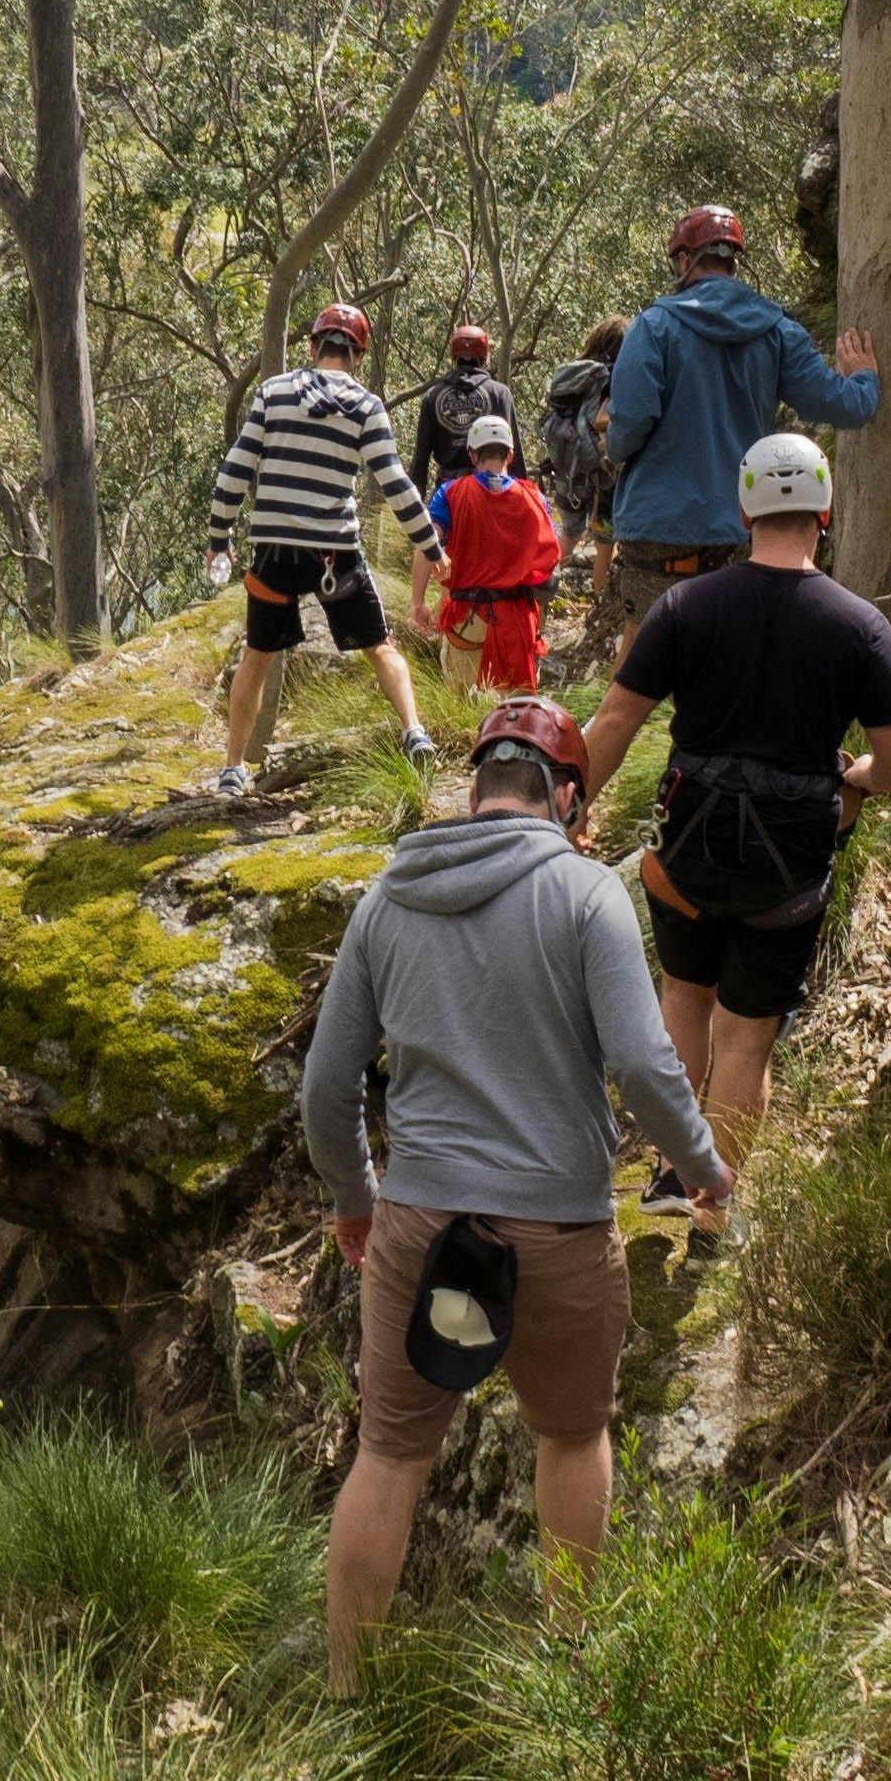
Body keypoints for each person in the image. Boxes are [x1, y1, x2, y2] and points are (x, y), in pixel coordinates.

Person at [303, 699, 728, 1687]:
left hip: (415, 1221)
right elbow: (643, 1063)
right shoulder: (587, 898)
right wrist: (700, 1165)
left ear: (474, 787)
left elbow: (326, 1087)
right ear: (568, 797)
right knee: (573, 1434)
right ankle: (568, 1668)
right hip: (559, 1226)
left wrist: (357, 1200)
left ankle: (345, 1692)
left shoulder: (389, 898)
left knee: (391, 1454)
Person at [581, 433, 891, 1206]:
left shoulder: (685, 606)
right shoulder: (859, 625)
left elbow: (614, 720)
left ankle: (670, 1169)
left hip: (687, 844)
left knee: (685, 994)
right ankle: (713, 1205)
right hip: (788, 866)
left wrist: (573, 811)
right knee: (746, 1038)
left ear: (743, 508)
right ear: (824, 511)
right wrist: (857, 781)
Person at [593, 204, 879, 658]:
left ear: (685, 261)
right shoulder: (776, 330)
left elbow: (628, 432)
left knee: (641, 663)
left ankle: (607, 731)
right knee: (731, 661)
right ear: (733, 261)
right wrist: (864, 379)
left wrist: (612, 440)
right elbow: (844, 407)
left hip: (659, 528)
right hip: (744, 528)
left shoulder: (654, 328)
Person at [209, 298, 444, 792]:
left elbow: (236, 469)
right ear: (356, 355)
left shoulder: (273, 393)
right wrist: (431, 547)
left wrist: (219, 538)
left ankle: (233, 768)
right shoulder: (365, 407)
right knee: (380, 646)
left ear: (314, 346)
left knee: (257, 655)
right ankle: (414, 732)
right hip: (333, 552)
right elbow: (396, 483)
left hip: (273, 551)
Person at [425, 417, 567, 694]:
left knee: (459, 702)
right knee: (517, 711)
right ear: (510, 455)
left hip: (466, 618)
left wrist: (417, 601)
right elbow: (550, 561)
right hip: (517, 622)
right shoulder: (533, 496)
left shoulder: (451, 492)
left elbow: (427, 542)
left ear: (473, 454)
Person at [535, 314, 629, 572]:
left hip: (568, 470)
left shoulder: (574, 372)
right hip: (603, 474)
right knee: (605, 546)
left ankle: (539, 599)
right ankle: (598, 606)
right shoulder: (614, 375)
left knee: (568, 535)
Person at [406, 321, 516, 489]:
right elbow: (512, 449)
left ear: (453, 357)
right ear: (484, 358)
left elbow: (421, 459)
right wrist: (520, 496)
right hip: (489, 491)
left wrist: (414, 505)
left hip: (448, 493)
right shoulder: (499, 393)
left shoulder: (433, 396)